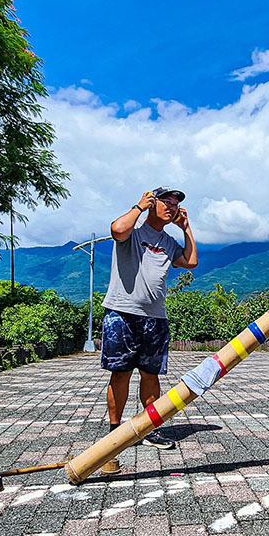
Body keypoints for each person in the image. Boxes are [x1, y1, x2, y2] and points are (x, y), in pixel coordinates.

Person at [99, 186, 198, 470]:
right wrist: (138, 206)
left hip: (155, 318)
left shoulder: (168, 242)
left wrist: (186, 228)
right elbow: (117, 229)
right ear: (152, 203)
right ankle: (115, 430)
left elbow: (190, 261)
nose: (172, 207)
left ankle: (149, 428)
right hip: (122, 313)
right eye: (166, 202)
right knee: (121, 374)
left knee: (151, 375)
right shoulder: (134, 232)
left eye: (176, 204)